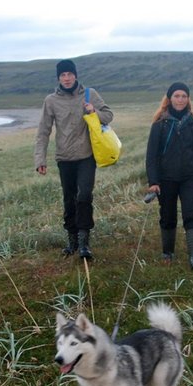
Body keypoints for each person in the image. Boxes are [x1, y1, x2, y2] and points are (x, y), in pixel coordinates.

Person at [34, 59, 113, 259]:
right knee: (69, 199)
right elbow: (43, 131)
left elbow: (109, 115)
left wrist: (93, 111)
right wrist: (40, 159)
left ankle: (85, 242)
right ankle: (72, 241)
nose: (67, 78)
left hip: (86, 156)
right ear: (58, 78)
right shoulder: (50, 100)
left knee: (84, 196)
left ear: (75, 75)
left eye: (69, 74)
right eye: (62, 75)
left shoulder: (89, 94)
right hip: (64, 158)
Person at [145, 82, 193, 270]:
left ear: (188, 99)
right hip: (166, 179)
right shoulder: (159, 125)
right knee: (167, 215)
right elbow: (151, 156)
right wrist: (153, 182)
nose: (180, 99)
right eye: (177, 96)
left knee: (191, 214)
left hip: (190, 177)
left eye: (184, 96)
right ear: (169, 99)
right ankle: (168, 252)